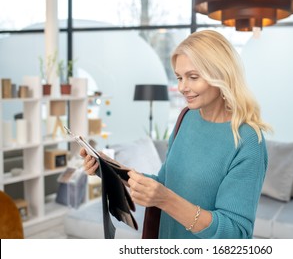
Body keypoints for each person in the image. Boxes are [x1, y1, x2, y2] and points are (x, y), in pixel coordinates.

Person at [81, 30, 271, 239]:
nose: (182, 87)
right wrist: (111, 169)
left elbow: (236, 234)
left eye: (193, 77)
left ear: (221, 75)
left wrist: (165, 200)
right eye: (180, 77)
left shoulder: (249, 140)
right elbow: (165, 183)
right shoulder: (186, 117)